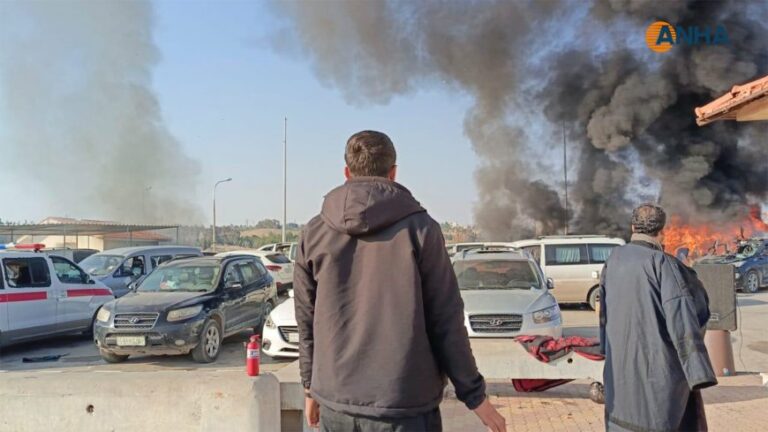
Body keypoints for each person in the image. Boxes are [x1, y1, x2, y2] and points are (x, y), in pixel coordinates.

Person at [294, 131, 506, 432]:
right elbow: (446, 320)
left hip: (336, 403)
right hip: (405, 406)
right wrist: (475, 397)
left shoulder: (313, 233)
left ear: (346, 172)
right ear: (393, 173)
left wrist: (309, 387)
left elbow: (306, 321)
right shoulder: (422, 230)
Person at [599, 203, 717, 431]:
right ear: (662, 231)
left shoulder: (613, 259)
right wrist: (697, 371)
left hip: (620, 367)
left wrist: (605, 347)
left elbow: (604, 312)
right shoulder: (664, 264)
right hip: (657, 369)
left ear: (633, 226)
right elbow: (685, 315)